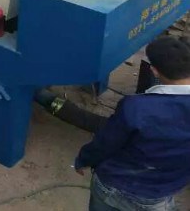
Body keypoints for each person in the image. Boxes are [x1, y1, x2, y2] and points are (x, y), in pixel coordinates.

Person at [75, 35, 190, 211]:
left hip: (114, 186)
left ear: (154, 71)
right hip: (160, 195)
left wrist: (84, 159)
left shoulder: (137, 107)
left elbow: (106, 143)